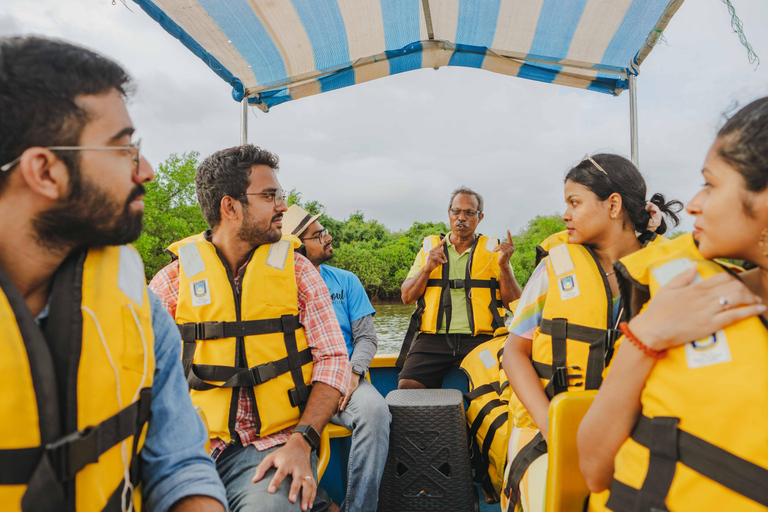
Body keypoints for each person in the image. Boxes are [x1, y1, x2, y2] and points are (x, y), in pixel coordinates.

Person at [0, 36, 226, 511]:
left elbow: (180, 463)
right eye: (124, 148)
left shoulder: (138, 309)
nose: (146, 169)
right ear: (45, 171)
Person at [577, 99, 768, 512]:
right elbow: (593, 467)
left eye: (711, 185)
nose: (694, 203)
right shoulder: (678, 294)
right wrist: (643, 336)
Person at [149, 145, 350, 512]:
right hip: (192, 448)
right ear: (230, 207)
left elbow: (334, 360)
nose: (283, 207)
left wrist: (302, 441)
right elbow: (139, 376)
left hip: (277, 443)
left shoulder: (299, 272)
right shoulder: (171, 283)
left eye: (280, 195)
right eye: (270, 196)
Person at [500, 154, 681, 512]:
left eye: (574, 203)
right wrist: (553, 426)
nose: (564, 215)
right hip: (549, 427)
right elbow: (513, 353)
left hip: (637, 429)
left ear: (613, 205)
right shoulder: (554, 269)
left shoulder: (670, 273)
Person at [282, 204, 391, 512]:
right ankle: (320, 505)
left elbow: (367, 338)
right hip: (296, 383)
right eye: (319, 235)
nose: (328, 238)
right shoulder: (275, 286)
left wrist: (354, 373)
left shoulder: (345, 281)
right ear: (298, 246)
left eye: (325, 231)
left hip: (346, 377)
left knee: (375, 412)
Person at [398, 186, 522, 389]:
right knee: (407, 386)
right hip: (433, 340)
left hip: (483, 340)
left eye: (469, 212)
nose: (461, 217)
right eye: (456, 211)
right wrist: (427, 269)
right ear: (449, 214)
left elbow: (514, 304)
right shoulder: (430, 248)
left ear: (480, 217)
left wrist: (505, 267)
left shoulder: (495, 251)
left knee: (502, 386)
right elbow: (407, 297)